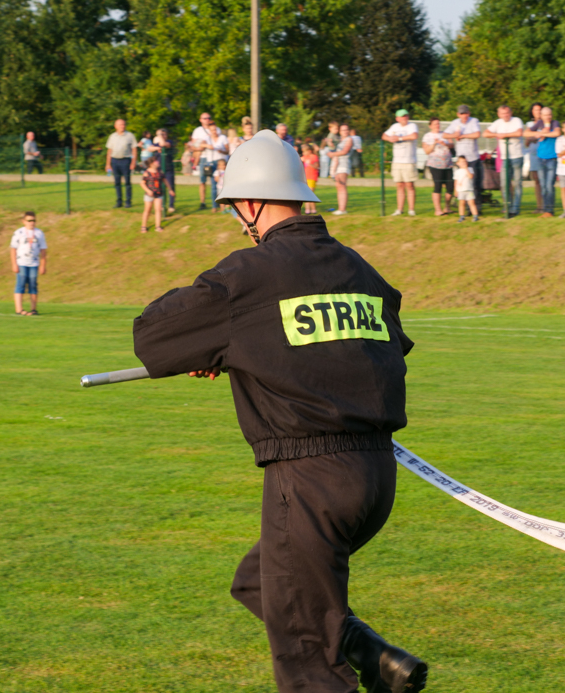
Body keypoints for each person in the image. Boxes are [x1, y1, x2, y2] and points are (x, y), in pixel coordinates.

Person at [130, 129, 428, 693]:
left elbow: (153, 338)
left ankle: (347, 658)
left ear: (249, 203)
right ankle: (372, 655)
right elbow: (380, 346)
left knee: (307, 666)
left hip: (309, 480)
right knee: (260, 583)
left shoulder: (248, 275)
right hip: (375, 480)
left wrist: (229, 343)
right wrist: (249, 350)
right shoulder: (359, 269)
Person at [484, 105, 525, 217]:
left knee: (517, 183)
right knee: (504, 184)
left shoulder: (516, 120)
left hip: (517, 156)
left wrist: (505, 135)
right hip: (504, 158)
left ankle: (515, 208)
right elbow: (485, 133)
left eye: (507, 113)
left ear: (510, 112)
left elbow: (519, 133)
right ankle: (507, 206)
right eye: (503, 113)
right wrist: (497, 135)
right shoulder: (498, 123)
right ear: (499, 114)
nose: (505, 115)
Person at [444, 105, 484, 209]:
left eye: (466, 113)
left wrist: (462, 136)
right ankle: (465, 208)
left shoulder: (474, 121)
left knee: (474, 184)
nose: (464, 115)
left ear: (469, 113)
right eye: (462, 113)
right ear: (458, 114)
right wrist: (454, 135)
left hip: (473, 158)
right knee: (462, 184)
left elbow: (477, 134)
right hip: (461, 161)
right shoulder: (455, 123)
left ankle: (477, 208)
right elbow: (444, 135)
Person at [9, 211, 47, 316]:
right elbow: (13, 249)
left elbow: (43, 250)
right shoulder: (19, 233)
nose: (32, 223)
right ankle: (19, 310)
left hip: (34, 263)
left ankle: (33, 309)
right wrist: (14, 264)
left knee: (33, 286)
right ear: (24, 221)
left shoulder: (39, 233)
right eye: (29, 220)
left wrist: (43, 265)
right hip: (21, 262)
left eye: (34, 220)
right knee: (20, 284)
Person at [525, 107, 561, 217]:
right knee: (543, 186)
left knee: (550, 185)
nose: (548, 117)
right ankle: (546, 210)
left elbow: (557, 133)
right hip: (540, 158)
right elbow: (525, 133)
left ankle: (549, 211)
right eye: (545, 115)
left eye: (549, 114)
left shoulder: (555, 123)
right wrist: (539, 132)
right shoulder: (539, 123)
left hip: (552, 158)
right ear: (541, 116)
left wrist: (543, 134)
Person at [382, 109, 419, 216]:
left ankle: (411, 209)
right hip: (397, 161)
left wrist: (400, 138)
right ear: (397, 118)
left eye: (406, 115)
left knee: (410, 185)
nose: (405, 117)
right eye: (402, 116)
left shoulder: (412, 126)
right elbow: (384, 136)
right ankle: (399, 209)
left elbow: (414, 136)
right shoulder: (395, 126)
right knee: (399, 185)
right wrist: (390, 139)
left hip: (408, 161)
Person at [422, 118, 455, 216]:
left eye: (438, 124)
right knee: (438, 186)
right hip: (435, 165)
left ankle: (447, 207)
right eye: (435, 124)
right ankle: (438, 210)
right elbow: (427, 151)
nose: (437, 125)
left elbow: (452, 145)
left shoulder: (445, 134)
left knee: (450, 187)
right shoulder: (427, 136)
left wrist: (445, 143)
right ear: (430, 126)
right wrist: (434, 143)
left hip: (448, 164)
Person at [105, 118, 138, 209]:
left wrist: (133, 162)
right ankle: (119, 201)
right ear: (115, 126)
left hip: (126, 161)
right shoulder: (112, 136)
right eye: (120, 125)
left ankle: (128, 201)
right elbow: (109, 151)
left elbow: (134, 150)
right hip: (115, 161)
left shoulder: (130, 136)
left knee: (127, 182)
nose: (122, 126)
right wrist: (108, 164)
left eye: (124, 124)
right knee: (117, 182)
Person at [191, 112, 218, 210]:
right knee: (202, 181)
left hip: (214, 157)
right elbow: (193, 146)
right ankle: (202, 202)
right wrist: (202, 147)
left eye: (208, 118)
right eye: (205, 118)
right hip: (203, 158)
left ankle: (216, 203)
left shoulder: (216, 128)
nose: (207, 119)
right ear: (200, 120)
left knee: (214, 181)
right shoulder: (197, 131)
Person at [326, 123, 354, 215]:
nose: (345, 131)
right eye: (343, 130)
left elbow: (345, 151)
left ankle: (342, 209)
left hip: (344, 165)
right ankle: (340, 208)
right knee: (338, 186)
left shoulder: (349, 139)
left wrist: (332, 154)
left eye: (347, 129)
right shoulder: (339, 140)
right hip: (337, 165)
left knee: (342, 186)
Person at [523, 103, 545, 214]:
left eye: (539, 110)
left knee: (544, 181)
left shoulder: (546, 123)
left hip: (544, 155)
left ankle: (547, 206)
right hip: (534, 156)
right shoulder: (529, 125)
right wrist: (534, 137)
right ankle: (539, 206)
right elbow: (526, 142)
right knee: (537, 181)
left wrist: (534, 136)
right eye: (535, 110)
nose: (537, 112)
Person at [155, 128, 177, 214]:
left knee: (170, 186)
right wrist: (156, 147)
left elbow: (163, 144)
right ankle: (161, 205)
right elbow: (149, 148)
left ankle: (171, 205)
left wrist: (159, 136)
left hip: (168, 168)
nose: (162, 136)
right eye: (161, 134)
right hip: (159, 169)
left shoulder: (170, 142)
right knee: (159, 187)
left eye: (164, 134)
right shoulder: (156, 143)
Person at [141, 157, 166, 233]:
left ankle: (157, 226)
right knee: (147, 210)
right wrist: (148, 191)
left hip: (159, 193)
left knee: (158, 210)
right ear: (152, 164)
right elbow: (142, 183)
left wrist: (170, 189)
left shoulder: (159, 172)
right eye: (156, 161)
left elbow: (164, 180)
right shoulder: (146, 173)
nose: (158, 162)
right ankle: (143, 226)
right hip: (149, 195)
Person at [453, 155, 478, 222]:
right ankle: (462, 216)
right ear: (457, 163)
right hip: (461, 191)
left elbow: (470, 176)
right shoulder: (457, 172)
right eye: (462, 162)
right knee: (462, 203)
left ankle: (475, 216)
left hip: (469, 190)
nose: (464, 163)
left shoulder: (470, 169)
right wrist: (455, 190)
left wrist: (466, 169)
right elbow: (456, 181)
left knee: (471, 203)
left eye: (465, 161)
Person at [301, 143, 319, 214]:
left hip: (312, 177)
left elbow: (316, 166)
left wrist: (310, 164)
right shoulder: (305, 157)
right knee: (306, 193)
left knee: (310, 193)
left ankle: (313, 209)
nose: (303, 153)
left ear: (309, 151)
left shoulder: (314, 157)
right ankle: (307, 209)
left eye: (304, 151)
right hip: (305, 177)